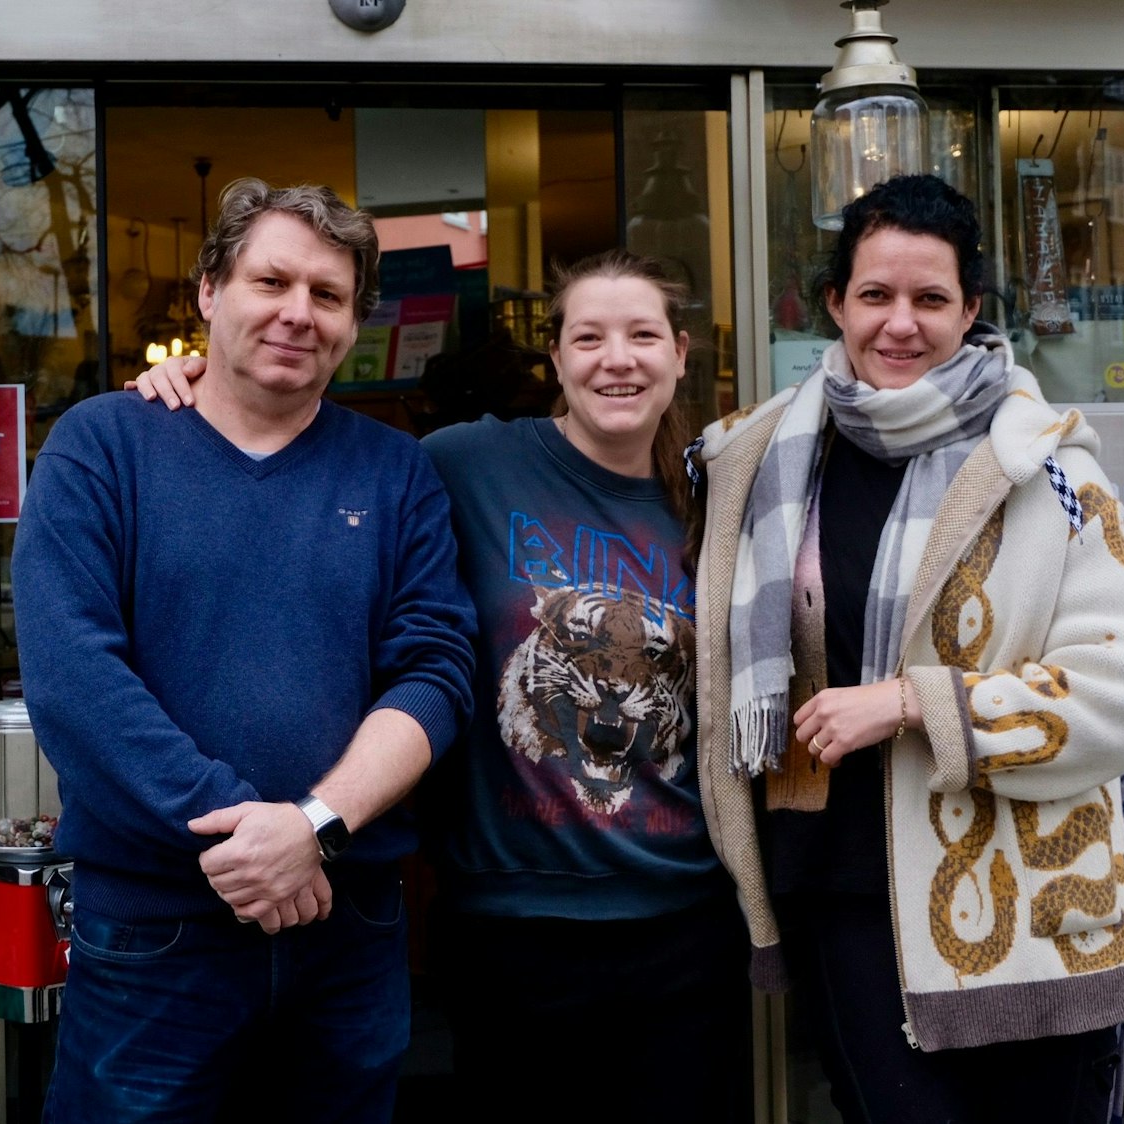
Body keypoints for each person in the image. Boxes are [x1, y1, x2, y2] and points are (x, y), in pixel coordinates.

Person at [131, 249, 751, 1121]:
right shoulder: (468, 462)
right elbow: (311, 443)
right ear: (556, 356)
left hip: (687, 915)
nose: (618, 359)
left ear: (680, 353)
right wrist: (199, 382)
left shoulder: (723, 494)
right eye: (589, 337)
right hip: (510, 919)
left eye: (643, 335)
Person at [692, 173, 1124, 1124]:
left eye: (929, 299)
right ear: (834, 302)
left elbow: (1119, 693)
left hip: (1029, 903)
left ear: (972, 309)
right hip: (843, 892)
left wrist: (914, 702)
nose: (899, 323)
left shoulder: (1048, 470)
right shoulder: (757, 460)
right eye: (874, 295)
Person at [12, 177, 475, 1123]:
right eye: (271, 282)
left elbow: (435, 671)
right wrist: (246, 834)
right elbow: (73, 678)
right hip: (154, 936)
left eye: (328, 295)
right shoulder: (101, 447)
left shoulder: (396, 473)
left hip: (346, 930)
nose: (297, 313)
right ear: (209, 292)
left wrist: (311, 829)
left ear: (353, 323)